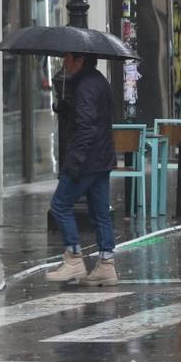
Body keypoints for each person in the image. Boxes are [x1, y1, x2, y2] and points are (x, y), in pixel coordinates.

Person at [45, 53, 118, 286]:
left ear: (80, 61)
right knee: (100, 213)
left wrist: (75, 162)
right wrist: (66, 105)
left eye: (68, 58)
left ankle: (74, 258)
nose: (64, 62)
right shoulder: (98, 81)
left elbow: (86, 127)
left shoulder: (85, 86)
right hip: (101, 159)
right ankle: (106, 264)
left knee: (60, 205)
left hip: (86, 160)